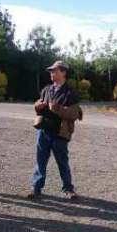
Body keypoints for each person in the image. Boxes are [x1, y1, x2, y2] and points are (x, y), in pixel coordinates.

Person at [29, 60, 82, 200]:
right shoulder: (46, 90)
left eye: (54, 70)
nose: (51, 73)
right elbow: (38, 107)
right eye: (51, 71)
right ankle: (36, 188)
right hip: (43, 131)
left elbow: (74, 114)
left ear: (63, 72)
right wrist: (37, 106)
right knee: (40, 161)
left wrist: (57, 108)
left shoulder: (70, 92)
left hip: (60, 133)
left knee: (62, 162)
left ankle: (68, 189)